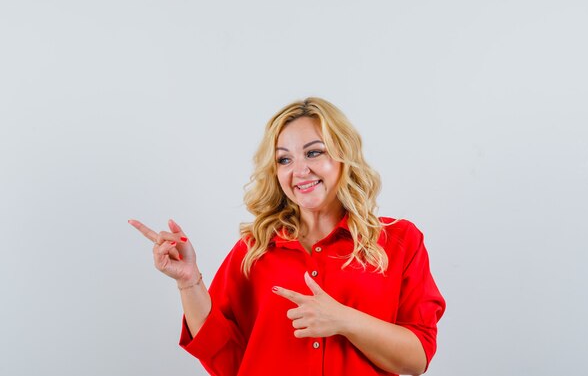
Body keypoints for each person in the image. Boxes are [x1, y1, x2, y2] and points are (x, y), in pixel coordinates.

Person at [129, 97, 445, 376]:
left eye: (314, 153)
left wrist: (343, 319)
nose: (299, 170)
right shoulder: (255, 248)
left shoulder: (400, 241)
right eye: (284, 159)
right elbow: (222, 354)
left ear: (343, 156)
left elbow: (417, 359)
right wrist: (189, 281)